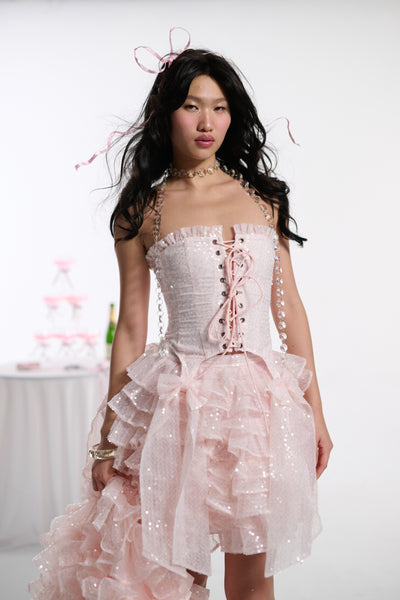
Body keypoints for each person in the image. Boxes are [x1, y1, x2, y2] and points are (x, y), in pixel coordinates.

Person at [29, 42, 333, 600]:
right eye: (192, 106)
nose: (207, 122)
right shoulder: (143, 211)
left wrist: (316, 412)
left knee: (252, 582)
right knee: (177, 580)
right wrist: (106, 441)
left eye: (219, 107)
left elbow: (289, 308)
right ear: (167, 113)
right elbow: (132, 327)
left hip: (260, 413)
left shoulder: (264, 200)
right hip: (177, 408)